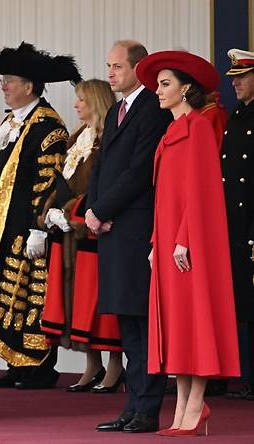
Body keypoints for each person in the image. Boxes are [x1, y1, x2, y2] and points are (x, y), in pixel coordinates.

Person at [135, 50, 241, 436]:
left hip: (189, 241)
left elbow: (201, 191)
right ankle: (183, 406)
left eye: (166, 85)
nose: (158, 92)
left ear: (187, 89)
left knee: (193, 320)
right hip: (167, 242)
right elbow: (165, 196)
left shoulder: (197, 126)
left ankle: (195, 406)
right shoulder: (171, 131)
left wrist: (182, 239)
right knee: (178, 324)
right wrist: (155, 241)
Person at [0, 42, 79, 390]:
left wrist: (38, 229)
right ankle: (15, 363)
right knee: (4, 293)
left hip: (29, 230)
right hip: (2, 226)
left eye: (9, 80)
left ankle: (41, 366)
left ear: (29, 86)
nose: (3, 85)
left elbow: (48, 183)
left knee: (30, 293)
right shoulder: (11, 122)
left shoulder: (48, 127)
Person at [87, 40, 172, 433]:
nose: (110, 74)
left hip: (135, 227)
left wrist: (103, 210)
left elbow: (140, 171)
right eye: (108, 66)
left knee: (142, 320)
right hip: (111, 229)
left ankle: (148, 407)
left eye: (117, 66)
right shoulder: (116, 112)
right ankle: (132, 405)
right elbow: (102, 165)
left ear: (139, 69)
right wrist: (90, 209)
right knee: (126, 321)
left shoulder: (153, 108)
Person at [39, 79, 124, 393]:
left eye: (82, 100)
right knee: (77, 301)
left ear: (96, 102)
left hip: (91, 229)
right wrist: (49, 210)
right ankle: (93, 364)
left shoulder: (106, 140)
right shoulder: (78, 138)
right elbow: (62, 180)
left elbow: (100, 186)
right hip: (68, 232)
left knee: (99, 299)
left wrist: (75, 211)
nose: (76, 105)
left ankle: (115, 366)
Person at [221, 49, 254, 401]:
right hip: (236, 226)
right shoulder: (238, 116)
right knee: (245, 302)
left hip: (251, 227)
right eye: (233, 78)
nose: (236, 84)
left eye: (242, 77)